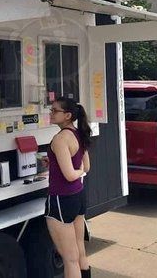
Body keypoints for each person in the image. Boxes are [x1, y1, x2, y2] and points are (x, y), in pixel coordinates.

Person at [44, 97, 92, 278]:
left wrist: (76, 171)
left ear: (68, 115)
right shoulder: (78, 134)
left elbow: (71, 174)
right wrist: (55, 163)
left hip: (60, 199)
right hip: (77, 196)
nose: (51, 113)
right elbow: (86, 167)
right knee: (80, 251)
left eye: (55, 111)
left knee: (69, 259)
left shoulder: (60, 139)